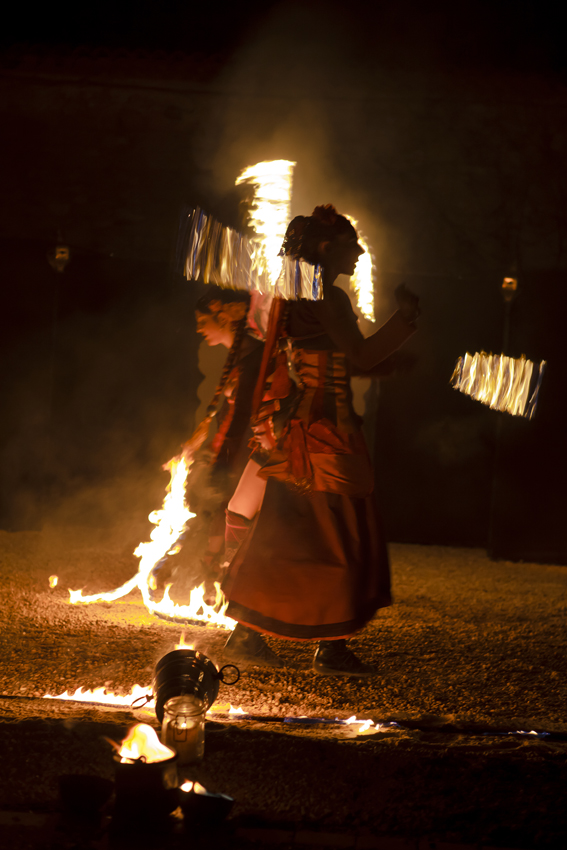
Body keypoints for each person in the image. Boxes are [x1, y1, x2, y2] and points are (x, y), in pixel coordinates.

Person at [221, 204, 420, 675]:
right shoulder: (325, 298)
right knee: (336, 535)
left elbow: (341, 361)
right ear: (328, 248)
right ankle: (326, 646)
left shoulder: (294, 297)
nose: (359, 253)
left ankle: (253, 634)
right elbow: (361, 354)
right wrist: (406, 318)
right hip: (324, 433)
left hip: (306, 427)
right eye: (353, 244)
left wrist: (388, 363)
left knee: (296, 531)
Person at [150, 286, 264, 598]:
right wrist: (192, 450)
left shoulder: (254, 357)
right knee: (212, 511)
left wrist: (224, 461)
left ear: (225, 318)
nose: (199, 329)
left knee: (226, 512)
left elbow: (243, 415)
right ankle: (209, 583)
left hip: (247, 450)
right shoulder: (239, 356)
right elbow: (223, 412)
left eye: (204, 321)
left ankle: (227, 585)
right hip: (230, 447)